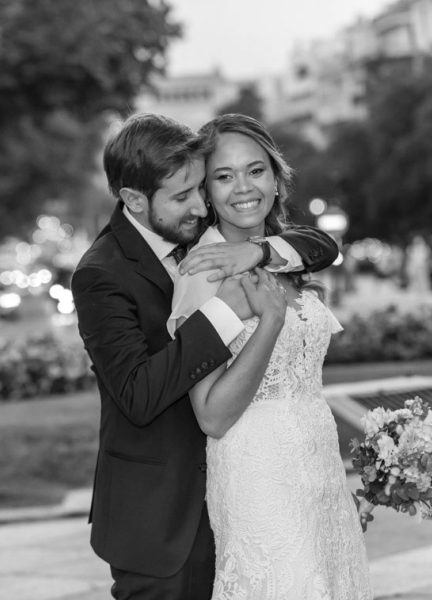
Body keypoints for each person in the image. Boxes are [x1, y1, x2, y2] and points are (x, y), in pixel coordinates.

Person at [71, 112, 339, 599]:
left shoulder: (200, 234)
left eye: (200, 188)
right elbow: (138, 393)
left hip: (257, 488)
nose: (199, 207)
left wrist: (259, 253)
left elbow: (320, 244)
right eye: (183, 196)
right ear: (134, 200)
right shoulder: (101, 275)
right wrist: (225, 313)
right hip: (162, 515)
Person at [169, 114, 372, 599]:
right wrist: (270, 324)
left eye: (255, 171)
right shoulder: (205, 269)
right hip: (258, 476)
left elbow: (325, 246)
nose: (243, 187)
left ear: (276, 179)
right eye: (224, 176)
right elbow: (212, 416)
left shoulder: (284, 256)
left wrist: (260, 253)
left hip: (318, 469)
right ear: (207, 192)